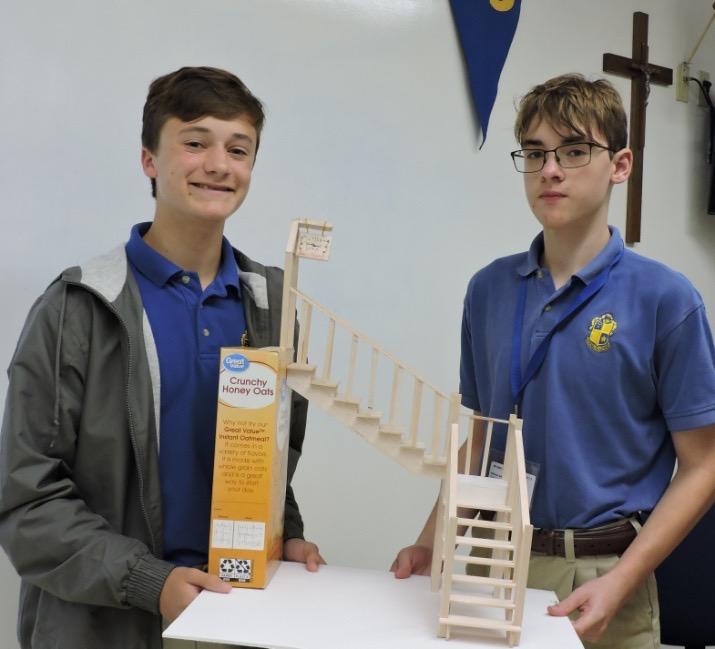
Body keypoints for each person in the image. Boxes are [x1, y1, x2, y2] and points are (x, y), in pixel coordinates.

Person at [0, 66, 324, 649]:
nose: (219, 164)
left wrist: (286, 536)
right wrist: (152, 582)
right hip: (102, 626)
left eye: (238, 149)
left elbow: (269, 460)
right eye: (195, 143)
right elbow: (28, 501)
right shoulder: (76, 306)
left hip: (236, 615)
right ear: (149, 160)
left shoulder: (275, 305)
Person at [391, 73, 715, 649]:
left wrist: (622, 580)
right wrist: (431, 542)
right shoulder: (488, 289)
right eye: (535, 153)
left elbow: (703, 464)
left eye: (574, 150)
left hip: (605, 573)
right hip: (495, 562)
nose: (550, 170)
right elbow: (483, 439)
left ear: (620, 165)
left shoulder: (666, 299)